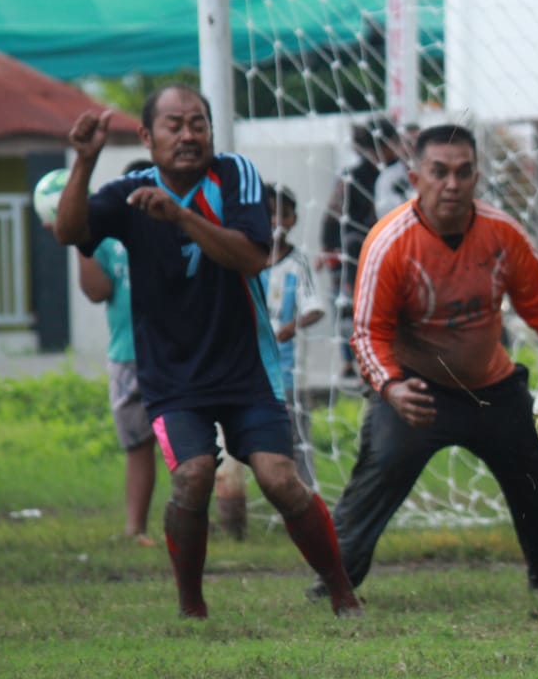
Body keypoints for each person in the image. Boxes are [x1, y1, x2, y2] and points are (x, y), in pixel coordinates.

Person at [52, 85, 361, 618]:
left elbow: (252, 257)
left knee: (280, 479)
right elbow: (68, 231)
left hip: (247, 368)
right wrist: (84, 162)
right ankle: (192, 605)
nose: (189, 134)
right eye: (174, 125)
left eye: (198, 123)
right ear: (147, 137)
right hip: (171, 377)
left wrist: (180, 217)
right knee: (193, 477)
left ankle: (341, 590)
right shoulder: (128, 190)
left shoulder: (235, 175)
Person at [307, 124, 538, 598]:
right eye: (439, 172)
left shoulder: (502, 233)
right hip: (416, 392)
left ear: (477, 177)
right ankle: (333, 584)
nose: (451, 183)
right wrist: (392, 387)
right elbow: (366, 333)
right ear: (416, 178)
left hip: (492, 389)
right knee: (380, 472)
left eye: (463, 172)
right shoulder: (388, 242)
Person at [73, 158, 159, 547]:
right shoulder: (110, 238)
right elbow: (97, 291)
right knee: (137, 443)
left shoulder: (178, 226)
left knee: (187, 444)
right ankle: (135, 528)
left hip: (174, 351)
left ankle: (190, 523)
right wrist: (82, 240)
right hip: (128, 353)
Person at [319, 117, 401, 389]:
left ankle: (353, 362)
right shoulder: (393, 175)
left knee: (349, 307)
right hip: (363, 254)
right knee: (356, 306)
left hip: (354, 253)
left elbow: (332, 216)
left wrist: (328, 249)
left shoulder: (367, 175)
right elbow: (334, 215)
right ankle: (361, 360)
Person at [264, 182, 326, 490]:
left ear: (293, 220)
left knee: (296, 438)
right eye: (269, 214)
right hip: (248, 369)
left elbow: (316, 308)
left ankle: (307, 497)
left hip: (286, 371)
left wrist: (293, 325)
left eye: (282, 215)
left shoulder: (297, 262)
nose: (276, 222)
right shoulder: (244, 260)